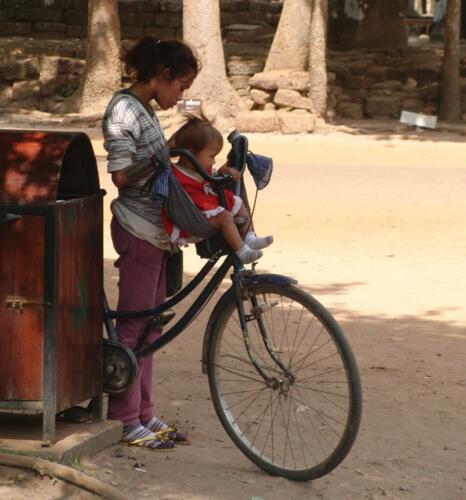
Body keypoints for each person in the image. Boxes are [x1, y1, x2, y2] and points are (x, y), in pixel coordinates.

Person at [101, 35, 200, 451]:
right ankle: (123, 419)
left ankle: (144, 412)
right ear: (162, 76)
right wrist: (164, 156)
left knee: (151, 326)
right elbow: (122, 175)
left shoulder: (142, 109)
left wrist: (178, 145)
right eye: (180, 86)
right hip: (138, 229)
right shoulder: (124, 108)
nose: (180, 95)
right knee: (135, 326)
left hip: (154, 232)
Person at [162, 117, 273, 264]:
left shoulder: (201, 169)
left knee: (239, 204)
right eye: (211, 156)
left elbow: (211, 178)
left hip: (206, 205)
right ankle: (242, 251)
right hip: (193, 214)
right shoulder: (174, 172)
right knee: (225, 217)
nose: (213, 161)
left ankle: (249, 237)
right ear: (190, 153)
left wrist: (225, 171)